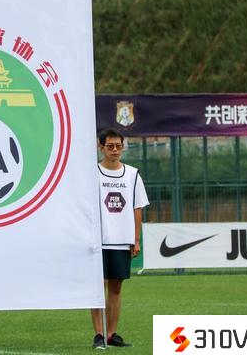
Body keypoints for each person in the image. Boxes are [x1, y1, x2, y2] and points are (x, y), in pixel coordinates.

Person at [91, 129, 149, 349]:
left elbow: (137, 208)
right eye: (110, 146)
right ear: (101, 147)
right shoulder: (92, 173)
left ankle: (111, 334)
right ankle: (98, 334)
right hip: (98, 240)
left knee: (116, 287)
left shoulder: (132, 175)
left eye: (118, 146)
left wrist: (136, 239)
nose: (115, 150)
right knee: (98, 287)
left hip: (121, 239)